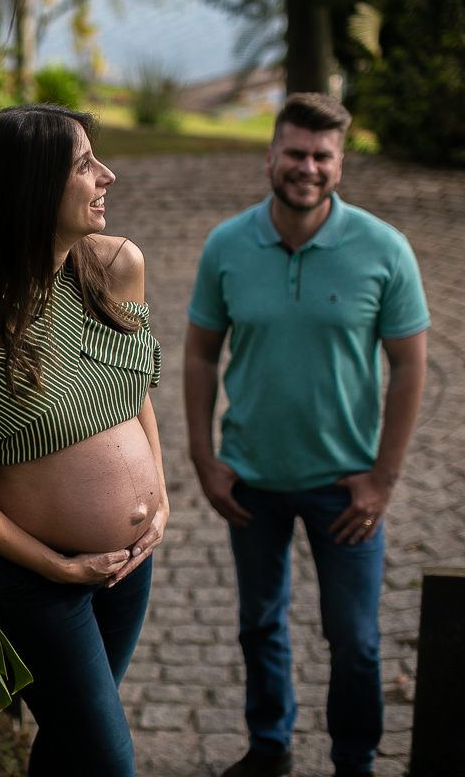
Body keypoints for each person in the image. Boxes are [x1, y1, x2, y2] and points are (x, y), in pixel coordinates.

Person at [0, 104, 169, 776]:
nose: (107, 176)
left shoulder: (117, 266)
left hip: (127, 567)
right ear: (29, 188)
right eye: (85, 166)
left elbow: (135, 391)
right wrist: (54, 566)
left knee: (69, 749)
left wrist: (160, 501)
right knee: (108, 761)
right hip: (34, 579)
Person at [184, 93, 429, 777]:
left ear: (340, 164)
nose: (307, 168)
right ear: (270, 156)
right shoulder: (227, 245)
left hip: (346, 489)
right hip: (251, 480)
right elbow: (201, 354)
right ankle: (270, 747)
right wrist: (205, 458)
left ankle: (354, 760)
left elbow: (409, 364)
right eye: (295, 152)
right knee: (258, 623)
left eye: (322, 156)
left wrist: (383, 478)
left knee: (354, 639)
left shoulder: (384, 249)